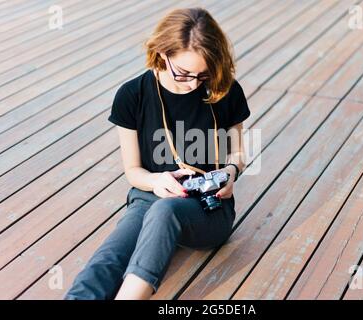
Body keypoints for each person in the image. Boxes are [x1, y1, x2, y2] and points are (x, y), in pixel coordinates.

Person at [64, 7, 250, 300]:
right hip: (151, 195)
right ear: (162, 53)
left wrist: (231, 172)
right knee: (110, 256)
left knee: (166, 212)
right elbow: (133, 171)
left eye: (203, 75)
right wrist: (156, 182)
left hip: (208, 208)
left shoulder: (223, 89)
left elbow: (238, 152)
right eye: (184, 73)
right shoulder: (132, 95)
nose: (193, 83)